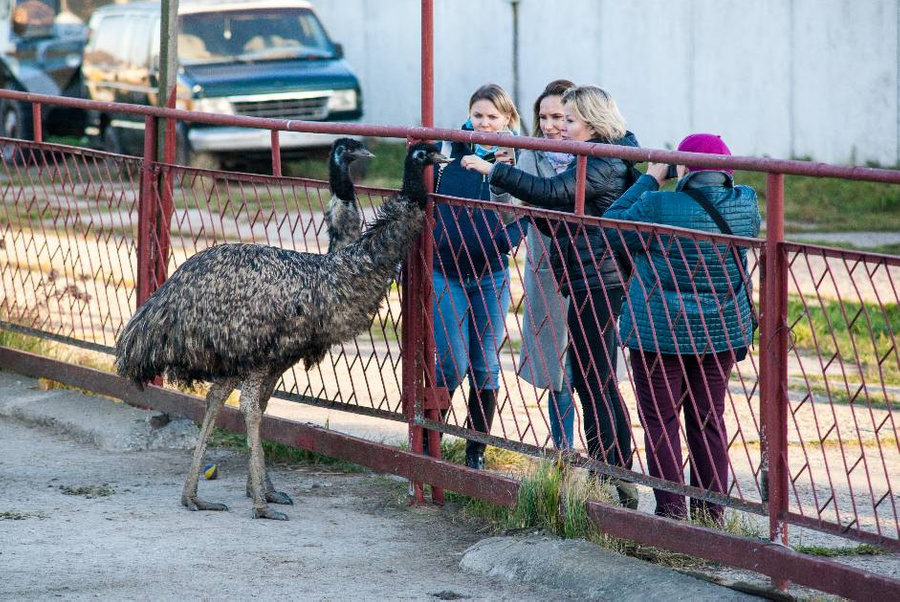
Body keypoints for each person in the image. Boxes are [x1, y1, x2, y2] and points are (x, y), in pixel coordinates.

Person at [462, 85, 639, 507]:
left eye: (570, 121)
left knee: (596, 379)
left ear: (592, 124)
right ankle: (611, 471)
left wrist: (494, 172)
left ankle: (613, 474)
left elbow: (553, 194)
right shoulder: (597, 155)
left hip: (600, 278)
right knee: (590, 377)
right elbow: (552, 217)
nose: (561, 129)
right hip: (584, 276)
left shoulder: (601, 159)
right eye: (553, 119)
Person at [603, 133, 761, 522]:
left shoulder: (657, 204)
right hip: (719, 332)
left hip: (659, 333)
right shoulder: (745, 204)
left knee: (661, 420)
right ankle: (711, 516)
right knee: (709, 419)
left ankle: (671, 514)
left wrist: (652, 177)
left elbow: (608, 225)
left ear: (684, 169)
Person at [431, 83, 524, 470]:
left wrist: (506, 238)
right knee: (452, 360)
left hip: (491, 274)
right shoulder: (447, 152)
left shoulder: (518, 160)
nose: (484, 124)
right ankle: (428, 443)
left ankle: (476, 451)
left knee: (485, 362)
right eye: (478, 115)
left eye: (493, 117)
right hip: (445, 272)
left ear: (507, 120)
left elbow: (527, 212)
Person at [513, 79, 577, 451]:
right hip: (548, 269)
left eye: (559, 117)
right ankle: (564, 450)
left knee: (590, 366)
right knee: (558, 367)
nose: (551, 125)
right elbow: (515, 206)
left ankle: (604, 457)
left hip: (591, 268)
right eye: (544, 117)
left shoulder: (596, 155)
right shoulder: (531, 154)